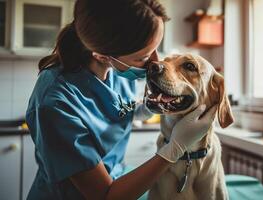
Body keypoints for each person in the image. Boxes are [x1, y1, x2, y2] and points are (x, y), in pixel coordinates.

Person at [25, 0, 217, 199]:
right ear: (101, 56)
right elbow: (106, 195)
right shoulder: (56, 102)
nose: (154, 62)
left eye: (155, 47)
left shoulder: (117, 69)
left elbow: (114, 109)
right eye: (142, 58)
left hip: (118, 176)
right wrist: (174, 150)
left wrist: (143, 109)